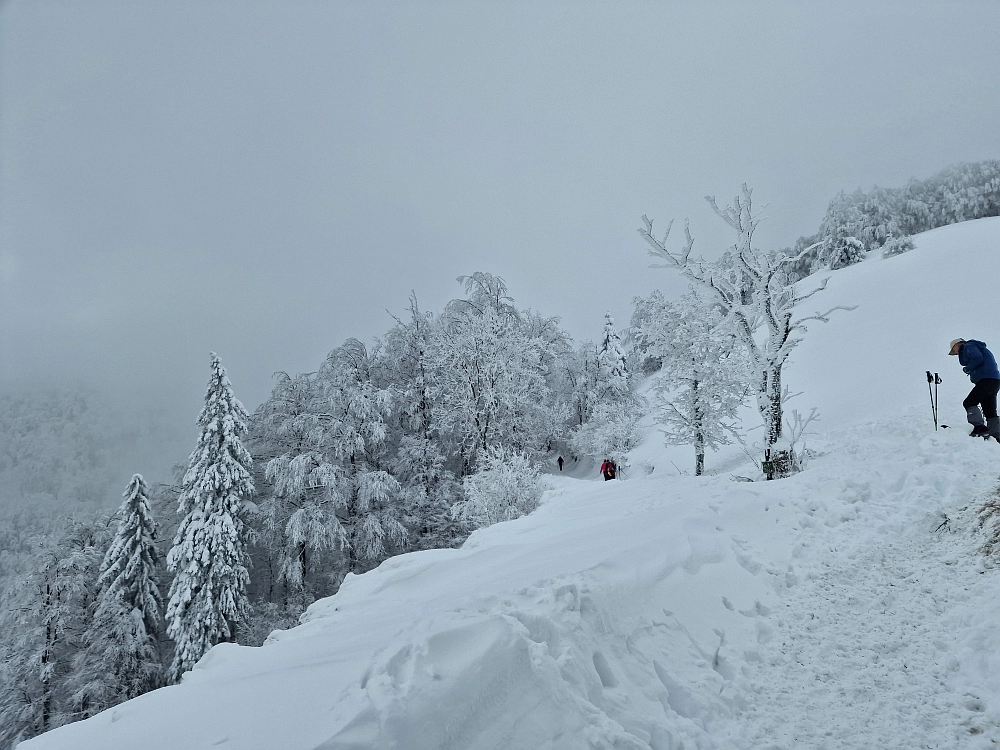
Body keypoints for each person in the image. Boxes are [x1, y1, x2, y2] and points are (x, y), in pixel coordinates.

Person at [949, 338, 1000, 441]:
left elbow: (977, 358)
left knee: (969, 402)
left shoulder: (969, 346)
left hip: (986, 380)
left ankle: (979, 428)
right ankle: (996, 435)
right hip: (994, 380)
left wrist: (967, 369)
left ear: (956, 345)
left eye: (953, 350)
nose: (955, 353)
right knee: (989, 410)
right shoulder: (977, 347)